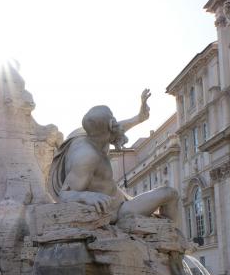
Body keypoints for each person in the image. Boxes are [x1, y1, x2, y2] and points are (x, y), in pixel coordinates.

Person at [49, 89, 179, 223]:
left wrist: (139, 117)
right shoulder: (87, 157)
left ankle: (164, 231)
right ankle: (172, 235)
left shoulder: (89, 134)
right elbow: (64, 194)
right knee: (170, 193)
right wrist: (87, 196)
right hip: (119, 210)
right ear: (110, 126)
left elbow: (117, 129)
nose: (118, 125)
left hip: (121, 199)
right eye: (114, 121)